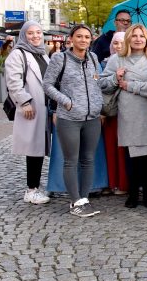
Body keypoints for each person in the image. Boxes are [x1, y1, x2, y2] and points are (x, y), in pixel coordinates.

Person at [44, 24, 104, 218]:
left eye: (87, 37)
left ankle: (84, 199)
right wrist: (66, 102)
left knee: (88, 159)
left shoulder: (93, 58)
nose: (83, 40)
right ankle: (75, 201)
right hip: (69, 118)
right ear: (71, 38)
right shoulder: (59, 58)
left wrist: (113, 81)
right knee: (71, 160)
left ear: (91, 39)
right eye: (79, 36)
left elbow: (98, 82)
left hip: (92, 118)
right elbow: (47, 85)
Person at [99, 24, 147, 209]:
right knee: (131, 157)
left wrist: (130, 85)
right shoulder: (116, 59)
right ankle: (133, 193)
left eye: (142, 36)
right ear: (128, 39)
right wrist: (115, 79)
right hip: (127, 114)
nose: (138, 39)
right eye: (134, 36)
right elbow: (102, 84)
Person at [6, 20, 51, 205]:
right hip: (31, 107)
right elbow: (13, 81)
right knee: (34, 149)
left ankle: (38, 187)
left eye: (38, 33)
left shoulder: (42, 54)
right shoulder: (18, 54)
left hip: (44, 107)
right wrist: (24, 102)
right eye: (31, 33)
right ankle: (31, 190)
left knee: (40, 148)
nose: (35, 36)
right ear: (23, 35)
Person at [102, 31, 128, 195]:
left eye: (122, 42)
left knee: (125, 148)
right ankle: (115, 182)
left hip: (128, 110)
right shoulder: (110, 60)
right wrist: (115, 78)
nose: (118, 46)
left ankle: (126, 182)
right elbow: (102, 84)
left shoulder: (133, 58)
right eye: (115, 43)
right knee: (112, 148)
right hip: (112, 111)